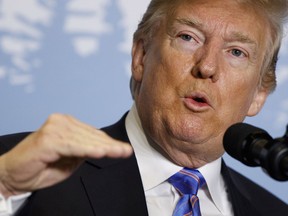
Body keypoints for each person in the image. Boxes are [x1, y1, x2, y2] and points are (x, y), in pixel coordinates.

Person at [0, 0, 288, 215]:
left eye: (236, 52)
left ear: (259, 94)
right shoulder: (16, 170)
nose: (207, 66)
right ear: (141, 56)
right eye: (188, 37)